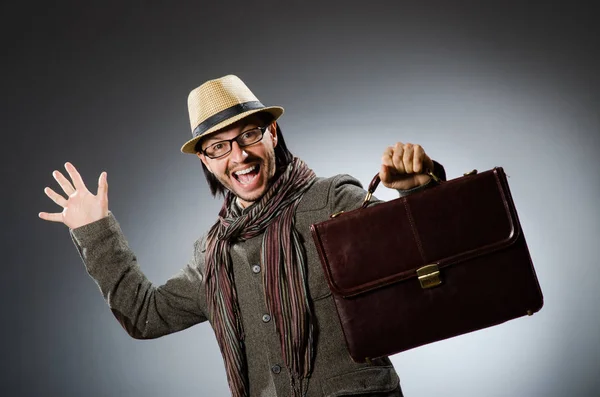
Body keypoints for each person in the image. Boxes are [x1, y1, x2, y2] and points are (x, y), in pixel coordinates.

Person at [39, 75, 446, 397]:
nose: (239, 156)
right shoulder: (212, 254)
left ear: (272, 132)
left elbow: (423, 255)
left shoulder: (332, 199)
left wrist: (419, 191)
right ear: (206, 159)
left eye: (249, 134)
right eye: (219, 146)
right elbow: (146, 315)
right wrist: (95, 232)